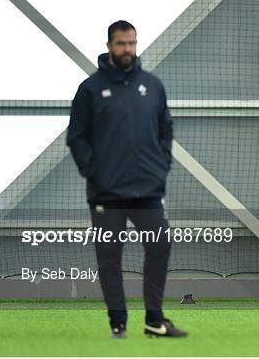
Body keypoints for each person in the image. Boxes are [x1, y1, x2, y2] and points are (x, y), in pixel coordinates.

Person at [67, 20, 187, 338]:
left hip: (148, 190)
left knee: (160, 245)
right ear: (109, 46)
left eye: (132, 43)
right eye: (121, 44)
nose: (127, 49)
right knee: (109, 257)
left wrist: (161, 167)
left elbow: (166, 130)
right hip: (106, 194)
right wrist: (94, 172)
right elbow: (76, 138)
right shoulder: (89, 90)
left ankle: (154, 319)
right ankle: (117, 321)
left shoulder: (152, 86)